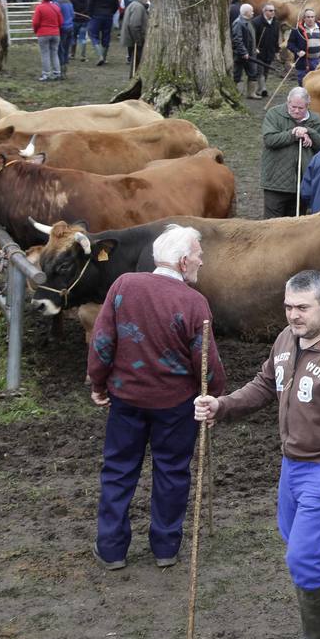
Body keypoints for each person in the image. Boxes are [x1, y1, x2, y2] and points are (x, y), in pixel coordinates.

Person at [195, 269, 320, 639]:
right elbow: (267, 383)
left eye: (302, 307)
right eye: (288, 307)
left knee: (305, 554)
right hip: (291, 464)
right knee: (296, 544)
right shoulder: (287, 338)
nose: (293, 315)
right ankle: (318, 633)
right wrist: (223, 405)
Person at [90, 225, 225, 570]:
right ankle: (165, 548)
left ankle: (111, 549)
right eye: (197, 255)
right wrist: (214, 395)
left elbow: (103, 341)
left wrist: (99, 383)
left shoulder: (123, 286)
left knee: (119, 471)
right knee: (172, 471)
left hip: (126, 401)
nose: (201, 261)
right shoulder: (195, 303)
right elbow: (206, 363)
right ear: (182, 262)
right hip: (175, 407)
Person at [261, 87, 320, 218]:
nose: (296, 111)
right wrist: (293, 134)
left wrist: (309, 132)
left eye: (301, 108)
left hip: (302, 183)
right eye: (293, 107)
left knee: (295, 226)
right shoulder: (274, 114)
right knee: (271, 225)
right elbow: (269, 140)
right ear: (288, 102)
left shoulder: (315, 119)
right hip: (275, 183)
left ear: (307, 106)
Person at [288, 9, 320, 86]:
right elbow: (290, 44)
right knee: (302, 82)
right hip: (303, 61)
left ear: (315, 18)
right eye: (308, 17)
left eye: (312, 17)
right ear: (304, 18)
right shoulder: (297, 30)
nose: (310, 19)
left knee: (316, 83)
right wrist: (297, 51)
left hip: (317, 61)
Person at [88, 0, 120, 65]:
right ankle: (104, 57)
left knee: (93, 35)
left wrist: (90, 14)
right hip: (108, 16)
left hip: (96, 15)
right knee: (106, 36)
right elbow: (116, 5)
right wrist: (111, 12)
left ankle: (100, 55)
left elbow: (90, 3)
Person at [31, 0, 62, 82]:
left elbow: (35, 22)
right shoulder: (56, 7)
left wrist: (36, 30)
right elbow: (61, 21)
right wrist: (56, 28)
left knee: (45, 54)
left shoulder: (39, 7)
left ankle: (46, 74)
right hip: (55, 33)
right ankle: (57, 73)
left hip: (43, 33)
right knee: (54, 53)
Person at [252, 2, 280, 98]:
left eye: (274, 10)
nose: (273, 12)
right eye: (271, 10)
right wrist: (254, 48)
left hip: (270, 51)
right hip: (259, 52)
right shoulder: (256, 22)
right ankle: (262, 89)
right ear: (264, 11)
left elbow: (276, 38)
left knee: (266, 71)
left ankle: (260, 89)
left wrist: (277, 51)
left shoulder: (276, 23)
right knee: (260, 71)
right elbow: (252, 37)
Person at [230, 2, 257, 97]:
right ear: (246, 12)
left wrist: (254, 48)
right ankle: (237, 94)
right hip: (241, 55)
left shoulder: (249, 22)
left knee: (253, 73)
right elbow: (237, 40)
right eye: (251, 11)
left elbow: (251, 38)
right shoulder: (238, 23)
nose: (253, 13)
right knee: (237, 75)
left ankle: (251, 93)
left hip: (250, 54)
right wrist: (244, 52)